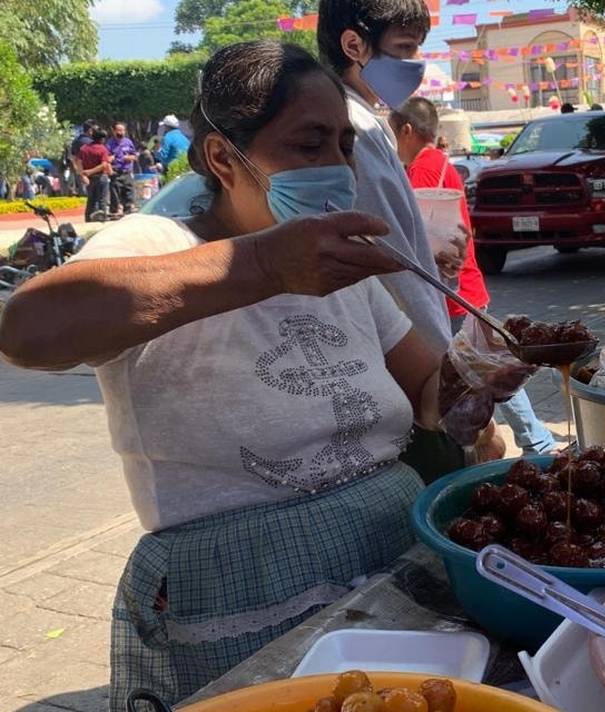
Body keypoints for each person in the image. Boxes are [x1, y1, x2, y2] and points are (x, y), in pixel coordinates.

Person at [0, 40, 527, 707]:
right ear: (224, 157)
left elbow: (428, 395)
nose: (336, 166)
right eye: (309, 145)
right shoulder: (156, 244)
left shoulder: (342, 263)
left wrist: (479, 374)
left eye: (343, 145)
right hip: (236, 589)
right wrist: (264, 267)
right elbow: (26, 331)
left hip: (391, 559)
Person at [318, 0, 489, 480]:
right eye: (405, 48)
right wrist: (445, 377)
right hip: (409, 378)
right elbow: (391, 268)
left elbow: (389, 244)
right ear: (354, 45)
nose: (417, 63)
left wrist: (428, 254)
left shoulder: (369, 119)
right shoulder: (355, 126)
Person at [390, 96, 558, 455]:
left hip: (451, 290)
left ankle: (534, 440)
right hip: (461, 286)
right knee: (486, 366)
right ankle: (532, 439)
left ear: (406, 130)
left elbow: (420, 237)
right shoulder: (438, 163)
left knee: (481, 368)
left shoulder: (423, 168)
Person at [77, 128, 112, 222]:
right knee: (102, 200)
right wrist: (91, 171)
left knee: (91, 200)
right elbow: (104, 164)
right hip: (100, 177)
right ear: (102, 139)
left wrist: (83, 175)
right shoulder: (102, 149)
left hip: (89, 179)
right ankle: (102, 219)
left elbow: (78, 162)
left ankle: (88, 219)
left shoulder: (84, 148)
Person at [106, 122, 138, 217]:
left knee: (129, 196)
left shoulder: (128, 142)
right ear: (114, 131)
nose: (121, 132)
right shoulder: (110, 144)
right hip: (116, 173)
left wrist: (130, 157)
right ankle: (114, 213)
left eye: (123, 130)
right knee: (115, 198)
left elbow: (135, 156)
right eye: (119, 130)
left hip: (127, 173)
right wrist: (109, 159)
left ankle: (127, 214)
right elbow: (105, 159)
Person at [69, 120, 96, 196]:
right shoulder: (90, 142)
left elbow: (73, 157)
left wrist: (79, 172)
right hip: (90, 173)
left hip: (80, 172)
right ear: (90, 130)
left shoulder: (76, 141)